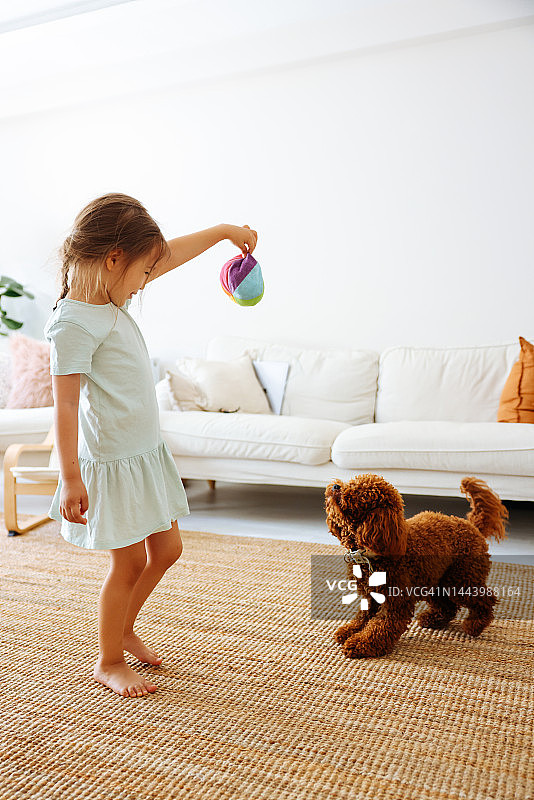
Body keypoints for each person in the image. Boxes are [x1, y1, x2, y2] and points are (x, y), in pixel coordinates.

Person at [44, 193, 258, 698]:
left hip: (144, 454)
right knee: (129, 562)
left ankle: (124, 628)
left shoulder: (113, 292)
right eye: (144, 273)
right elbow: (66, 407)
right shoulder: (73, 324)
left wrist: (225, 230)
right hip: (111, 463)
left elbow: (172, 253)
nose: (146, 283)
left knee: (168, 548)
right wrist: (71, 476)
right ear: (114, 258)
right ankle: (109, 658)